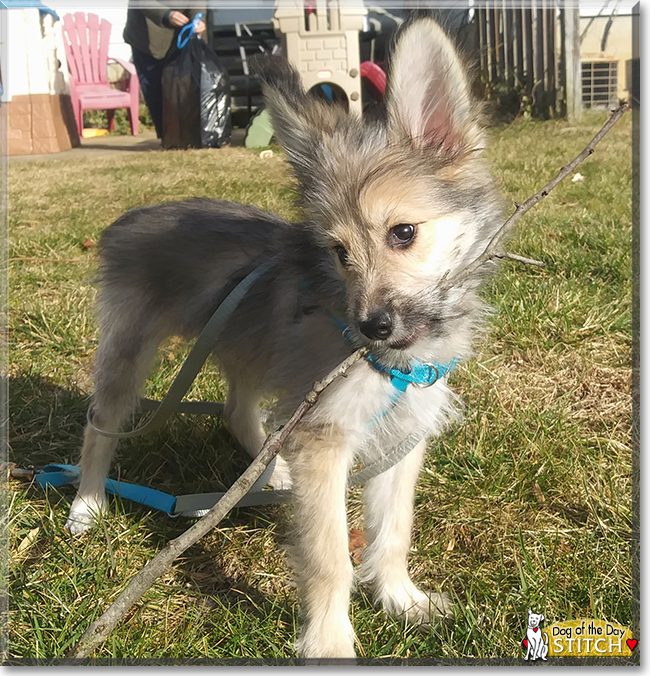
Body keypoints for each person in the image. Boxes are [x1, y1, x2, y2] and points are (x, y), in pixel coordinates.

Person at [123, 2, 207, 139]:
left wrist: (198, 19)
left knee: (185, 87)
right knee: (154, 88)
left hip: (182, 34)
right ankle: (167, 136)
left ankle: (187, 135)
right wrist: (167, 14)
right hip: (147, 39)